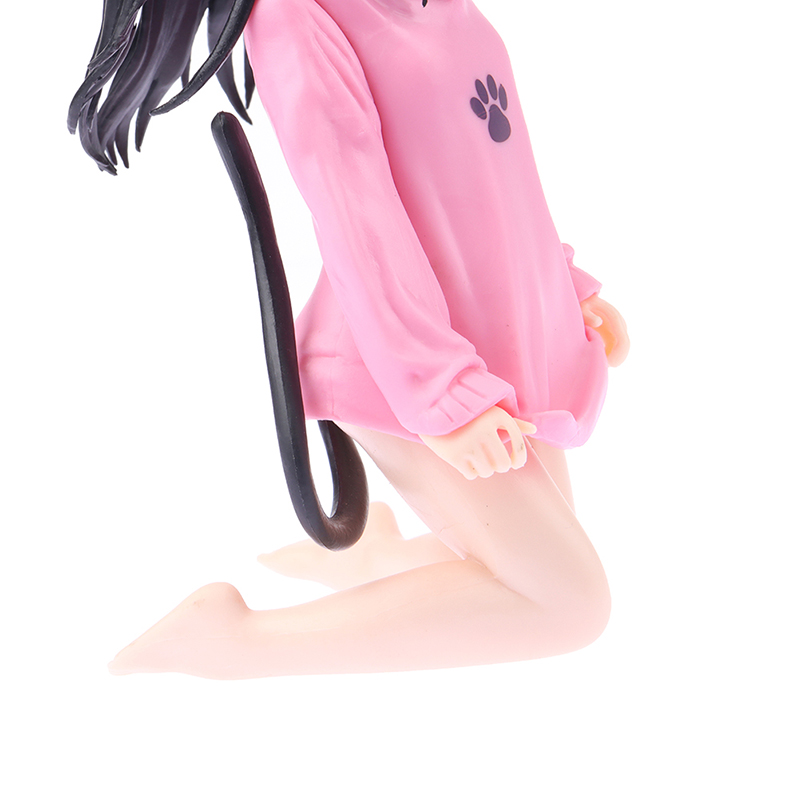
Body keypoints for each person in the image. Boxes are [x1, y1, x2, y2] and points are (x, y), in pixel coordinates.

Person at [71, 0, 629, 679]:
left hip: (497, 345)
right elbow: (356, 217)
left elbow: (492, 174)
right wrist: (443, 393)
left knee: (536, 563)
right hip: (399, 358)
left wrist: (564, 289)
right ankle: (232, 643)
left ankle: (381, 560)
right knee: (569, 601)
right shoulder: (296, 17)